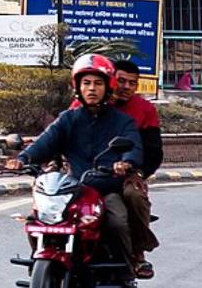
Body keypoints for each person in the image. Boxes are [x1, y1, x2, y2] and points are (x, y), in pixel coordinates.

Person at [7, 55, 143, 282]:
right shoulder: (68, 119)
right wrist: (23, 158)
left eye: (98, 84)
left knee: (117, 220)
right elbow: (45, 142)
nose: (91, 89)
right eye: (86, 83)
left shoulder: (122, 122)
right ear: (78, 87)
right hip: (73, 189)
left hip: (106, 188)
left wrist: (125, 162)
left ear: (108, 87)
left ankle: (126, 270)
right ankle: (39, 262)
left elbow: (134, 148)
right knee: (37, 218)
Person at [66, 59, 160, 278]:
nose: (125, 87)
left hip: (124, 174)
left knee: (132, 197)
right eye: (121, 81)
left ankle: (137, 253)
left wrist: (135, 170)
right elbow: (56, 138)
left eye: (132, 83)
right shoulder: (79, 108)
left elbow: (152, 151)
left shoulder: (143, 110)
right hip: (85, 175)